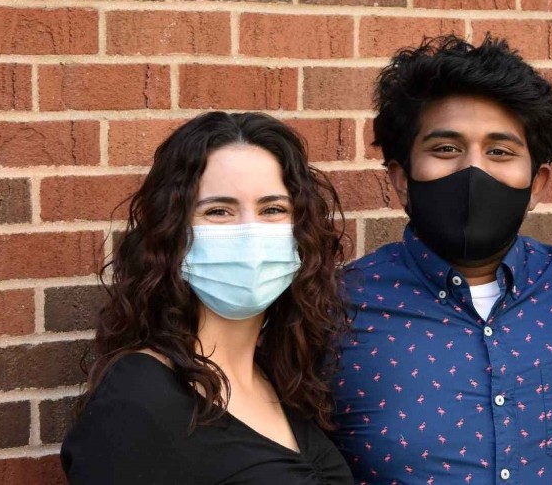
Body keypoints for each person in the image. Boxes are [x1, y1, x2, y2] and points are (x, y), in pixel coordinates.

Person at [331, 35, 552, 484]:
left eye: (500, 152)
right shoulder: (335, 309)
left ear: (537, 184)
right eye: (445, 149)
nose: (472, 170)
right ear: (401, 180)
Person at [61, 112, 354, 484]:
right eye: (219, 211)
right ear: (173, 235)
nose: (251, 233)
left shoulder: (283, 379)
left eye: (273, 209)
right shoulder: (139, 396)